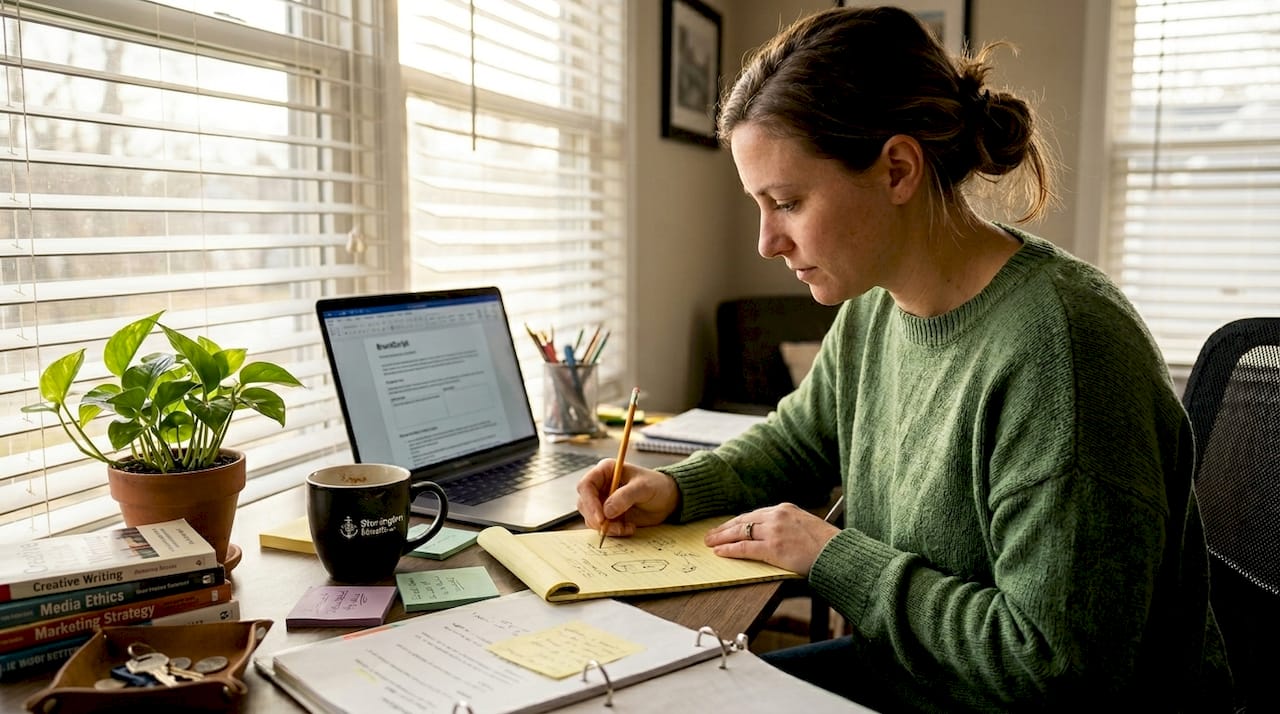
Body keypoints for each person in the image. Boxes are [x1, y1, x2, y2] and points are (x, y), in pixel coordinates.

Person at [576, 6, 1232, 713]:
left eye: (788, 202)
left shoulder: (1064, 353)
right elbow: (800, 437)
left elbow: (1057, 667)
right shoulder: (876, 303)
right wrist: (676, 490)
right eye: (759, 206)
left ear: (896, 169)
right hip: (915, 677)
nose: (768, 242)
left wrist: (831, 556)